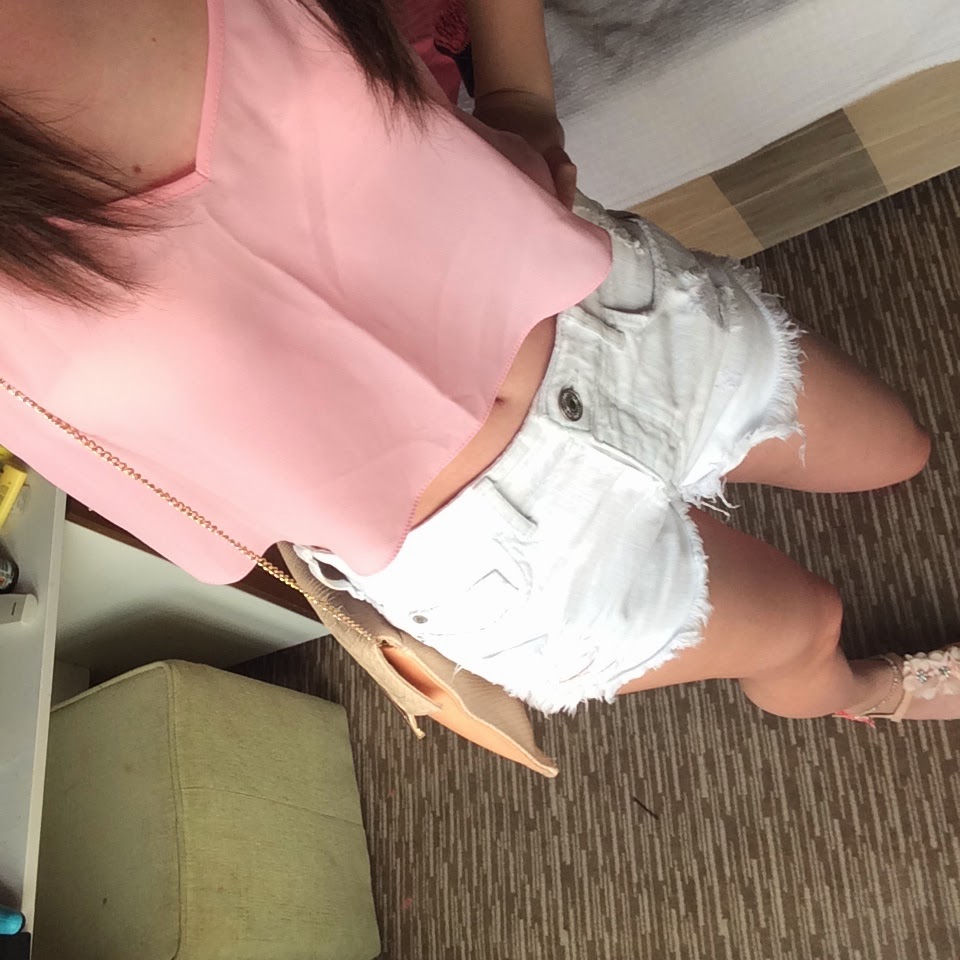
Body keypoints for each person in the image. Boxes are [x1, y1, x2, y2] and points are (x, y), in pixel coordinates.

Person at [1, 0, 956, 726]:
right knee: (807, 631)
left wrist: (519, 103)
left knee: (899, 449)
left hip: (611, 323)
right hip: (489, 560)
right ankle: (869, 697)